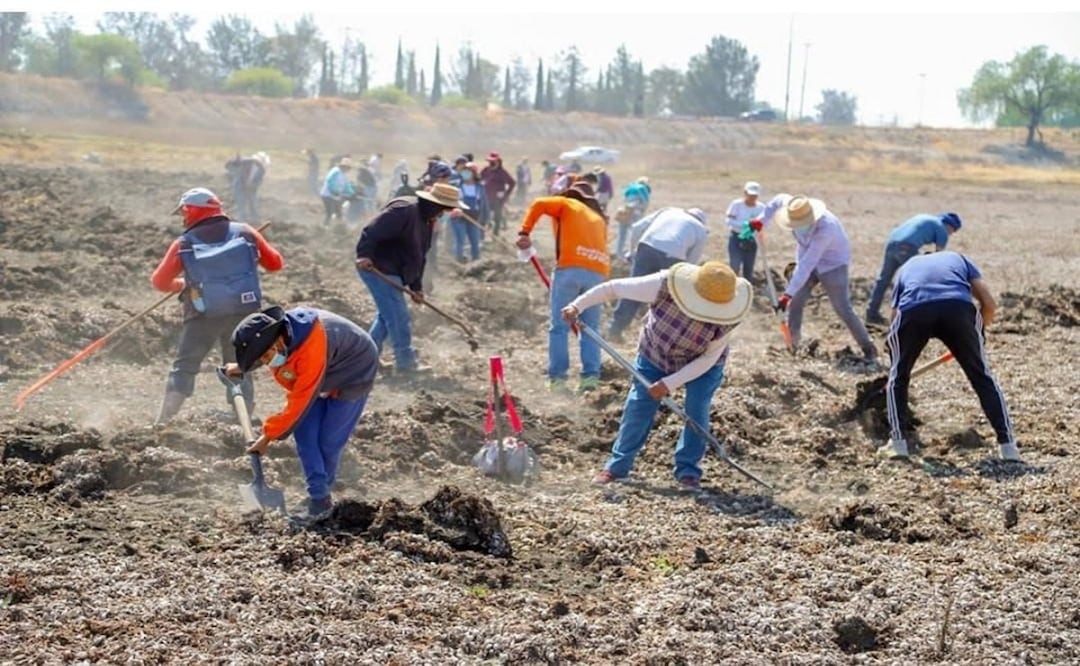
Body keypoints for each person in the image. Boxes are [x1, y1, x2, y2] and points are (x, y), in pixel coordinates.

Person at [563, 262, 752, 490]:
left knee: (696, 411)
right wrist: (577, 305)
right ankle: (616, 467)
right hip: (655, 353)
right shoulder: (665, 285)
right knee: (638, 405)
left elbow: (708, 359)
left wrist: (669, 383)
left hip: (702, 366)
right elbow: (613, 288)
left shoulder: (728, 317)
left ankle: (688, 471)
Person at [225, 305, 379, 519]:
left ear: (279, 339)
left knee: (328, 442)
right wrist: (244, 366)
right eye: (262, 359)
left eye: (266, 356)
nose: (267, 362)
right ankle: (319, 496)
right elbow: (269, 354)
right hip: (321, 370)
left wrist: (267, 436)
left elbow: (300, 401)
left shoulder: (310, 347)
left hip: (354, 371)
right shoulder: (281, 340)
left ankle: (320, 499)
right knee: (305, 436)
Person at [151, 188, 284, 424]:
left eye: (183, 211)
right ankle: (241, 422)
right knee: (239, 365)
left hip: (204, 314)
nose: (182, 218)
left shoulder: (184, 243)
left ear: (191, 210)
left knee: (185, 366)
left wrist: (181, 283)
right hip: (245, 314)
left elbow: (159, 282)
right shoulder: (245, 232)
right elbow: (275, 264)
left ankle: (163, 421)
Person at [881, 251, 1020, 462]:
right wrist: (976, 333)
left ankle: (898, 445)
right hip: (958, 309)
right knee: (982, 378)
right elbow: (989, 304)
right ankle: (1009, 448)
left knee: (897, 378)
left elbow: (895, 317)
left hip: (914, 310)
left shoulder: (907, 267)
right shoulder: (959, 258)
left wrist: (894, 349)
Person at [354, 183, 466, 374]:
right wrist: (364, 255)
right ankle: (405, 363)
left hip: (395, 271)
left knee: (386, 317)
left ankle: (365, 360)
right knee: (398, 317)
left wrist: (416, 287)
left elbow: (419, 256)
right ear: (436, 205)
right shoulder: (404, 210)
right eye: (444, 210)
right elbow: (371, 231)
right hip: (378, 268)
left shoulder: (427, 221)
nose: (444, 214)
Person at [516, 181, 610, 393]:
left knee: (559, 327)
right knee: (590, 329)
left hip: (570, 270)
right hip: (597, 274)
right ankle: (590, 378)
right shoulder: (599, 219)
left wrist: (524, 232)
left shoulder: (567, 204)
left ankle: (557, 379)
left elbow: (539, 203)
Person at [768, 194, 879, 364]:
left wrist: (787, 294)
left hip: (833, 265)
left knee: (842, 308)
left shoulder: (826, 228)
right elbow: (778, 200)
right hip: (807, 260)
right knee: (796, 302)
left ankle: (868, 348)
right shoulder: (794, 210)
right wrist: (760, 221)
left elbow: (808, 263)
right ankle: (793, 345)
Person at [609, 207, 710, 341]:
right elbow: (692, 262)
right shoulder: (700, 229)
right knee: (664, 298)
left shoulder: (669, 211)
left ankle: (615, 329)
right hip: (673, 256)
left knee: (633, 288)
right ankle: (655, 336)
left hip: (647, 247)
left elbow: (637, 227)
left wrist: (633, 251)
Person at [866, 212, 963, 325]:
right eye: (953, 231)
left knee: (883, 280)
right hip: (907, 247)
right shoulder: (942, 230)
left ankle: (871, 314)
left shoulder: (925, 218)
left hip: (892, 243)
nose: (951, 234)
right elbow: (939, 257)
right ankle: (912, 318)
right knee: (917, 282)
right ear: (950, 226)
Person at [725, 181, 766, 282]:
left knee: (749, 268)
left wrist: (756, 227)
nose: (752, 197)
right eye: (750, 195)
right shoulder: (736, 205)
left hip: (751, 239)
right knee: (735, 265)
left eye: (755, 195)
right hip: (736, 237)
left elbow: (764, 223)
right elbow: (729, 221)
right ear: (745, 193)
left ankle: (747, 289)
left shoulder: (761, 208)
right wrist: (746, 225)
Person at [449, 161, 489, 263]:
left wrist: (485, 220)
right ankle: (458, 261)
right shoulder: (456, 186)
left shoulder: (480, 188)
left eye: (469, 172)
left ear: (474, 174)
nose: (466, 174)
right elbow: (450, 201)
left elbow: (484, 205)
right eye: (464, 171)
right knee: (460, 241)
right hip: (459, 217)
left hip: (474, 218)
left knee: (475, 241)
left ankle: (476, 262)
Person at [616, 177, 652, 260]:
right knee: (635, 233)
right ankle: (632, 254)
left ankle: (619, 254)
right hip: (635, 213)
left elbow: (625, 199)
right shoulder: (643, 189)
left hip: (624, 211)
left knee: (622, 234)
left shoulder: (630, 188)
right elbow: (645, 203)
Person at [481, 151, 516, 235]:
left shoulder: (502, 172)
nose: (491, 163)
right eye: (490, 162)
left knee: (497, 218)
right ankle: (481, 234)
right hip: (486, 197)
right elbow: (479, 178)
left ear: (498, 162)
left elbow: (512, 183)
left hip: (498, 199)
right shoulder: (486, 170)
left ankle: (496, 234)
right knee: (483, 217)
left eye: (493, 162)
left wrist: (506, 195)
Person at [319, 157, 356, 225]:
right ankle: (325, 227)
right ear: (343, 166)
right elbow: (329, 181)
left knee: (339, 213)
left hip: (336, 196)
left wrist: (352, 193)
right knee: (329, 212)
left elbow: (346, 186)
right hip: (327, 195)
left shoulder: (344, 175)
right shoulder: (335, 171)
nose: (348, 170)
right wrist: (334, 190)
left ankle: (339, 228)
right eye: (347, 168)